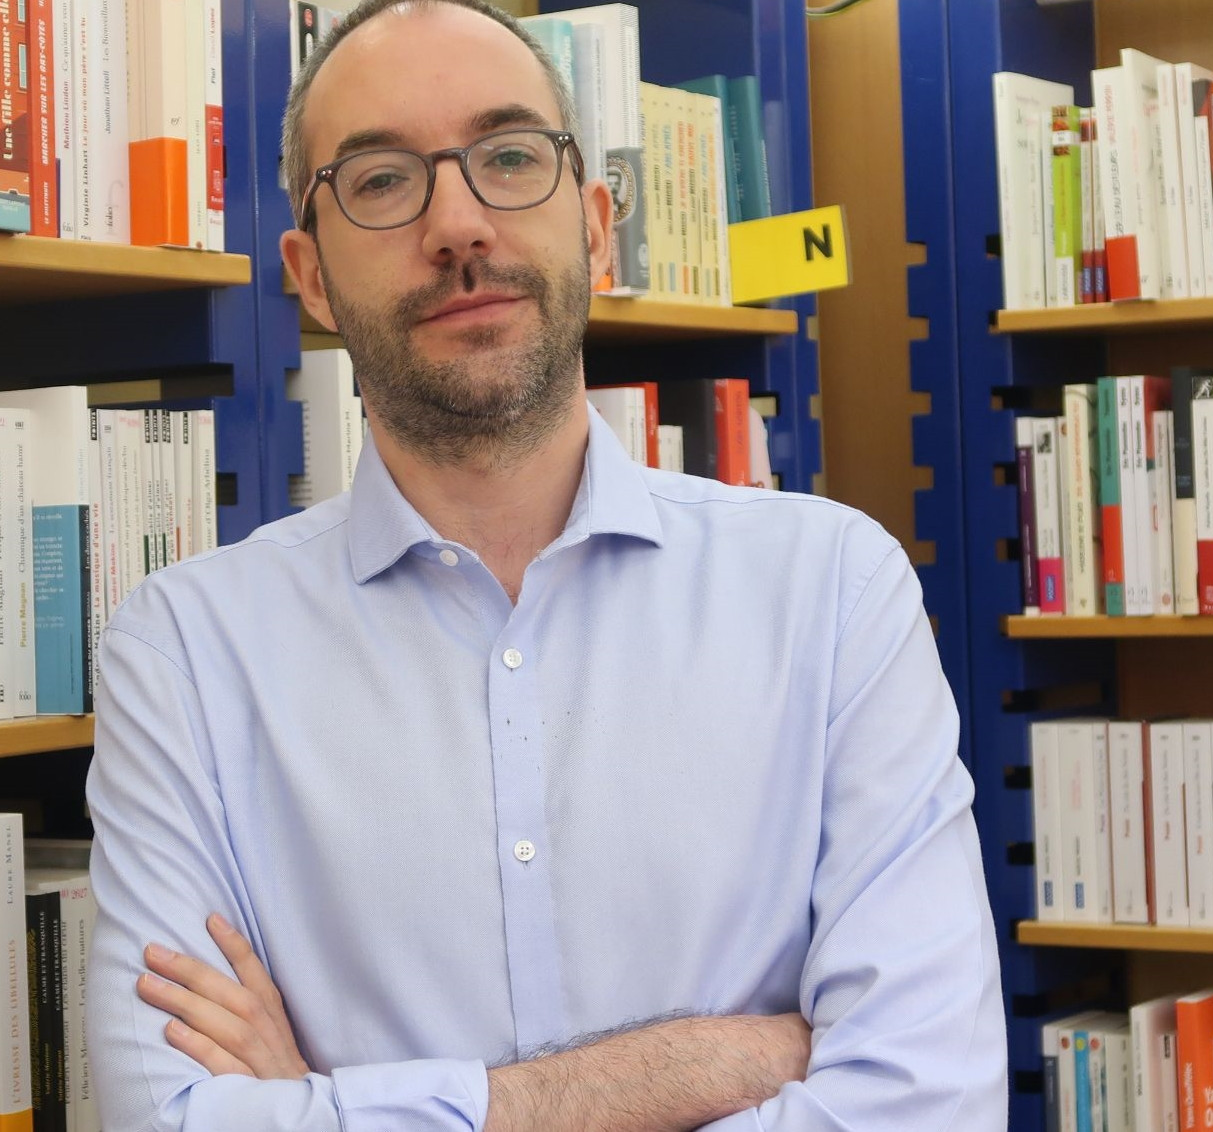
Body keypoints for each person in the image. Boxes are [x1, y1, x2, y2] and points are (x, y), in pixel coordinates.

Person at [84, 0, 1007, 1127]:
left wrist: (327, 1106)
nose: (457, 224)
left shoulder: (832, 591)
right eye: (381, 180)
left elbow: (927, 1102)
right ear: (310, 276)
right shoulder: (184, 652)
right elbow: (168, 1118)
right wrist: (704, 1065)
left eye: (510, 156)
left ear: (597, 226)